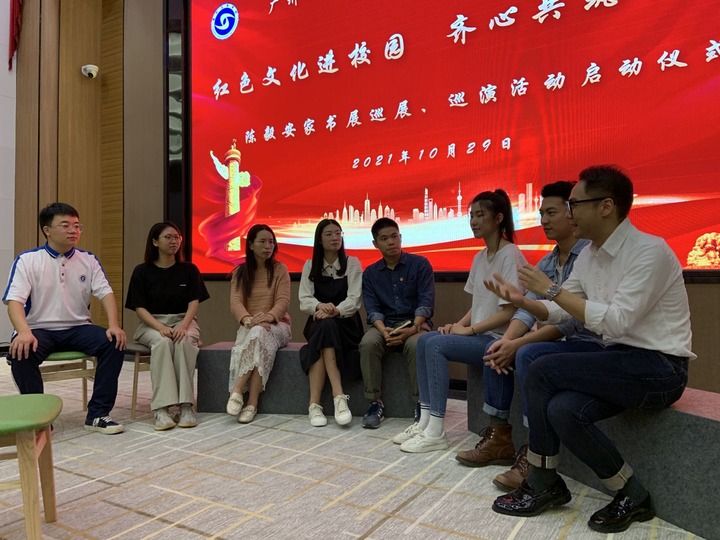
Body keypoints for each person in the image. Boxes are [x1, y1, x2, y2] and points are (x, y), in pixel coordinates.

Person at [485, 165, 693, 533]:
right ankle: (631, 493)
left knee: (540, 367)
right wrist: (523, 301)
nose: (569, 214)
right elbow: (560, 310)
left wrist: (551, 289)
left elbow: (616, 322)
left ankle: (542, 479)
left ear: (606, 206)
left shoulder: (650, 251)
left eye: (574, 205)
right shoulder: (590, 255)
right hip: (619, 359)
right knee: (562, 409)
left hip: (661, 368)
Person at [454, 182, 600, 493]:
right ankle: (498, 435)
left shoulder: (589, 257)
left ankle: (532, 453)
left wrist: (516, 343)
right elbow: (527, 311)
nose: (543, 220)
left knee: (526, 354)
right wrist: (507, 341)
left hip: (592, 345)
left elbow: (571, 320)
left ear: (572, 212)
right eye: (541, 213)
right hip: (562, 341)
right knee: (499, 347)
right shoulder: (546, 263)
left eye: (551, 212)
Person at [394, 189, 527, 453]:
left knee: (436, 346)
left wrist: (469, 330)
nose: (473, 221)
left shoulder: (510, 254)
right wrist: (457, 325)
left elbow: (509, 312)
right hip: (479, 334)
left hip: (498, 338)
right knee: (425, 340)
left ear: (499, 218)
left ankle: (436, 430)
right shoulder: (480, 257)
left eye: (480, 215)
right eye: (471, 216)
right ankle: (425, 420)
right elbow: (477, 305)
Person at [3, 202, 127, 434]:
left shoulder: (88, 259)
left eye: (77, 226)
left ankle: (98, 414)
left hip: (78, 327)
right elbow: (14, 302)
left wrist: (114, 325)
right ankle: (38, 418)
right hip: (39, 328)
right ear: (47, 230)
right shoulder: (28, 260)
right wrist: (24, 331)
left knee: (114, 342)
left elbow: (106, 293)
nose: (73, 230)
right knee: (21, 351)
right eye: (66, 225)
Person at [125, 222, 210, 431]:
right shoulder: (142, 271)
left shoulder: (189, 269)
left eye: (177, 237)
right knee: (162, 343)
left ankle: (186, 406)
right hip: (151, 323)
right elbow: (139, 308)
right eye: (168, 237)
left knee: (185, 341)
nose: (174, 241)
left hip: (184, 320)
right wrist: (160, 327)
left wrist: (184, 325)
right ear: (155, 242)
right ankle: (161, 409)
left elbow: (194, 302)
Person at [359, 217, 435, 428]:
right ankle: (374, 402)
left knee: (417, 345)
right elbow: (372, 309)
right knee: (368, 343)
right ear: (375, 244)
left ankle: (422, 404)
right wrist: (384, 331)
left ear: (401, 237)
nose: (391, 242)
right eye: (384, 239)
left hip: (416, 324)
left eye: (394, 236)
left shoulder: (420, 265)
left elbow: (426, 303)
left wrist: (412, 328)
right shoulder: (371, 273)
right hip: (385, 326)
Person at [298, 219, 363, 427]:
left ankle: (314, 404)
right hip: (320, 321)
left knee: (325, 331)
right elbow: (304, 300)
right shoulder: (310, 265)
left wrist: (335, 310)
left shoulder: (352, 263)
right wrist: (320, 306)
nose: (335, 238)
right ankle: (339, 397)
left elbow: (354, 299)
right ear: (319, 239)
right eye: (329, 234)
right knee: (325, 327)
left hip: (346, 325)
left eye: (338, 233)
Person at [226, 224, 291, 424]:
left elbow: (283, 301)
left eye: (271, 242)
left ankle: (238, 391)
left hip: (278, 326)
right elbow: (235, 302)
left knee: (258, 333)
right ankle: (252, 405)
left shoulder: (280, 269)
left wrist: (268, 317)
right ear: (251, 245)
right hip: (251, 325)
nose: (268, 246)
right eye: (262, 241)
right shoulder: (240, 272)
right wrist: (248, 320)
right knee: (257, 338)